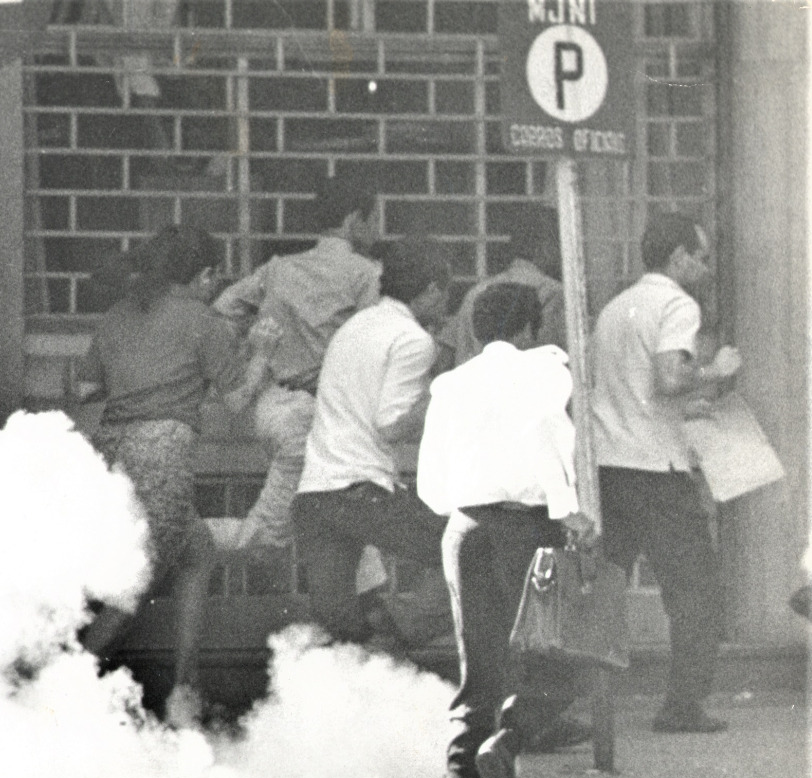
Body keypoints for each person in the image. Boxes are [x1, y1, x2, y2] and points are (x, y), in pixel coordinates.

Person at [417, 283, 597, 778]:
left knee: (480, 676)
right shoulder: (544, 369)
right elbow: (552, 442)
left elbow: (432, 484)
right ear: (529, 328)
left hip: (465, 529)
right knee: (565, 659)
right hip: (527, 528)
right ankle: (510, 738)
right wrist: (571, 513)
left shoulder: (450, 384)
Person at [72, 224, 243, 723]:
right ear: (204, 275)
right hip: (163, 457)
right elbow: (236, 404)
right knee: (134, 585)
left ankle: (185, 692)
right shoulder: (205, 322)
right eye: (215, 276)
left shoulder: (117, 316)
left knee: (195, 551)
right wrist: (266, 358)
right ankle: (61, 693)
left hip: (114, 453)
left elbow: (84, 390)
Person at [590, 214, 741, 734]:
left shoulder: (615, 307)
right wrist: (715, 372)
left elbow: (635, 390)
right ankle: (683, 705)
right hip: (658, 469)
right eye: (699, 255)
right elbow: (669, 376)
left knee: (598, 592)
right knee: (696, 592)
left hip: (611, 467)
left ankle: (555, 705)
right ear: (676, 256)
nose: (703, 265)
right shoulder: (678, 303)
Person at [290, 236, 452, 642]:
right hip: (363, 490)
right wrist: (440, 392)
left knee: (346, 632)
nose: (446, 305)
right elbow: (392, 425)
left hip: (315, 495)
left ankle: (384, 635)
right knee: (470, 551)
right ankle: (404, 623)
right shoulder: (413, 339)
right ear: (432, 289)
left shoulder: (354, 325)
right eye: (446, 293)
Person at [211, 176, 382, 552]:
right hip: (313, 418)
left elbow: (224, 309)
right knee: (269, 533)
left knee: (338, 515)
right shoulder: (364, 273)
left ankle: (370, 605)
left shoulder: (279, 268)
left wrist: (247, 354)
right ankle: (171, 540)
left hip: (272, 407)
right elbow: (373, 343)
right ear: (355, 220)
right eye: (374, 219)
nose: (377, 229)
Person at [441, 204, 566, 368]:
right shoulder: (554, 294)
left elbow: (447, 355)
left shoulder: (476, 292)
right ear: (545, 246)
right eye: (561, 245)